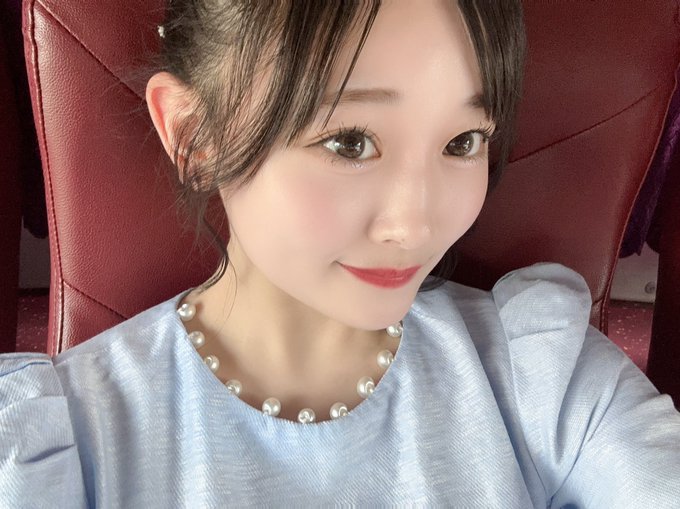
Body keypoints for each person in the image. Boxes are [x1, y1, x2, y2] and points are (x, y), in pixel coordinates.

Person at [2, 0, 679, 506]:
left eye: (462, 142)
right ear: (194, 134)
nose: (415, 224)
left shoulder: (542, 377)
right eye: (350, 141)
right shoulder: (57, 448)